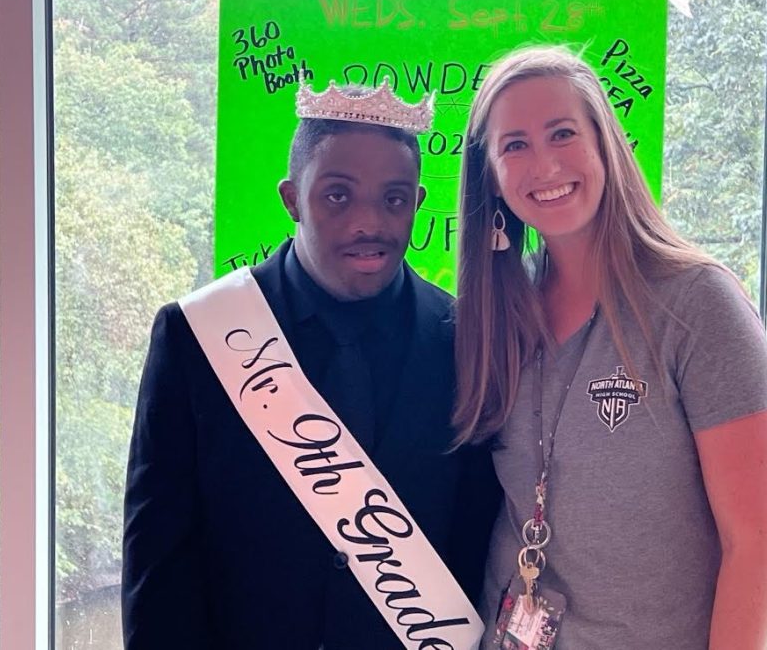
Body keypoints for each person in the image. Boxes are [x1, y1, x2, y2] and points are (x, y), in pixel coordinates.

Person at [122, 79, 499, 649]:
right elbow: (159, 559)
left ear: (418, 204)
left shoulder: (467, 341)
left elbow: (476, 541)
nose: (369, 222)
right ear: (292, 197)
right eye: (338, 195)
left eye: (394, 198)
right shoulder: (198, 336)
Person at [453, 46, 767, 649]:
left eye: (562, 133)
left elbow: (759, 544)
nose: (545, 165)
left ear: (604, 143)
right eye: (515, 146)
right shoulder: (500, 313)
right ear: (492, 179)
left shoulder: (698, 305)